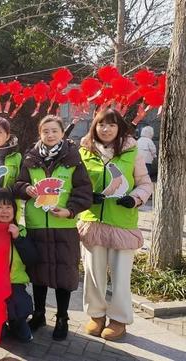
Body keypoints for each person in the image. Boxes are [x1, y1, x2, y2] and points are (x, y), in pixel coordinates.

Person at [13, 115, 92, 341]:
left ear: (62, 133)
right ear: (40, 133)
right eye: (45, 131)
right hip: (37, 225)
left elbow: (84, 192)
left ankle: (62, 318)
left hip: (63, 226)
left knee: (63, 274)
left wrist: (70, 210)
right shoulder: (30, 158)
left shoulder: (73, 159)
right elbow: (18, 185)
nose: (50, 135)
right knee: (39, 273)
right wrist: (26, 188)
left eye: (54, 131)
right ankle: (39, 314)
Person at [78, 109, 152, 341]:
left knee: (121, 276)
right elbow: (76, 184)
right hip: (93, 221)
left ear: (119, 128)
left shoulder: (132, 151)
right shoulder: (83, 152)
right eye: (101, 124)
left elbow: (145, 183)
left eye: (111, 125)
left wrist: (135, 198)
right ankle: (96, 315)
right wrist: (87, 196)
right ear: (94, 127)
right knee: (93, 273)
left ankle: (119, 320)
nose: (106, 129)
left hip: (122, 222)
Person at [0, 189, 37, 343]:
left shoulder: (21, 231)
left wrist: (18, 239)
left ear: (14, 210)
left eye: (8, 207)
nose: (5, 211)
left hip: (15, 282)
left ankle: (17, 323)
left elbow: (32, 258)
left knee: (20, 304)